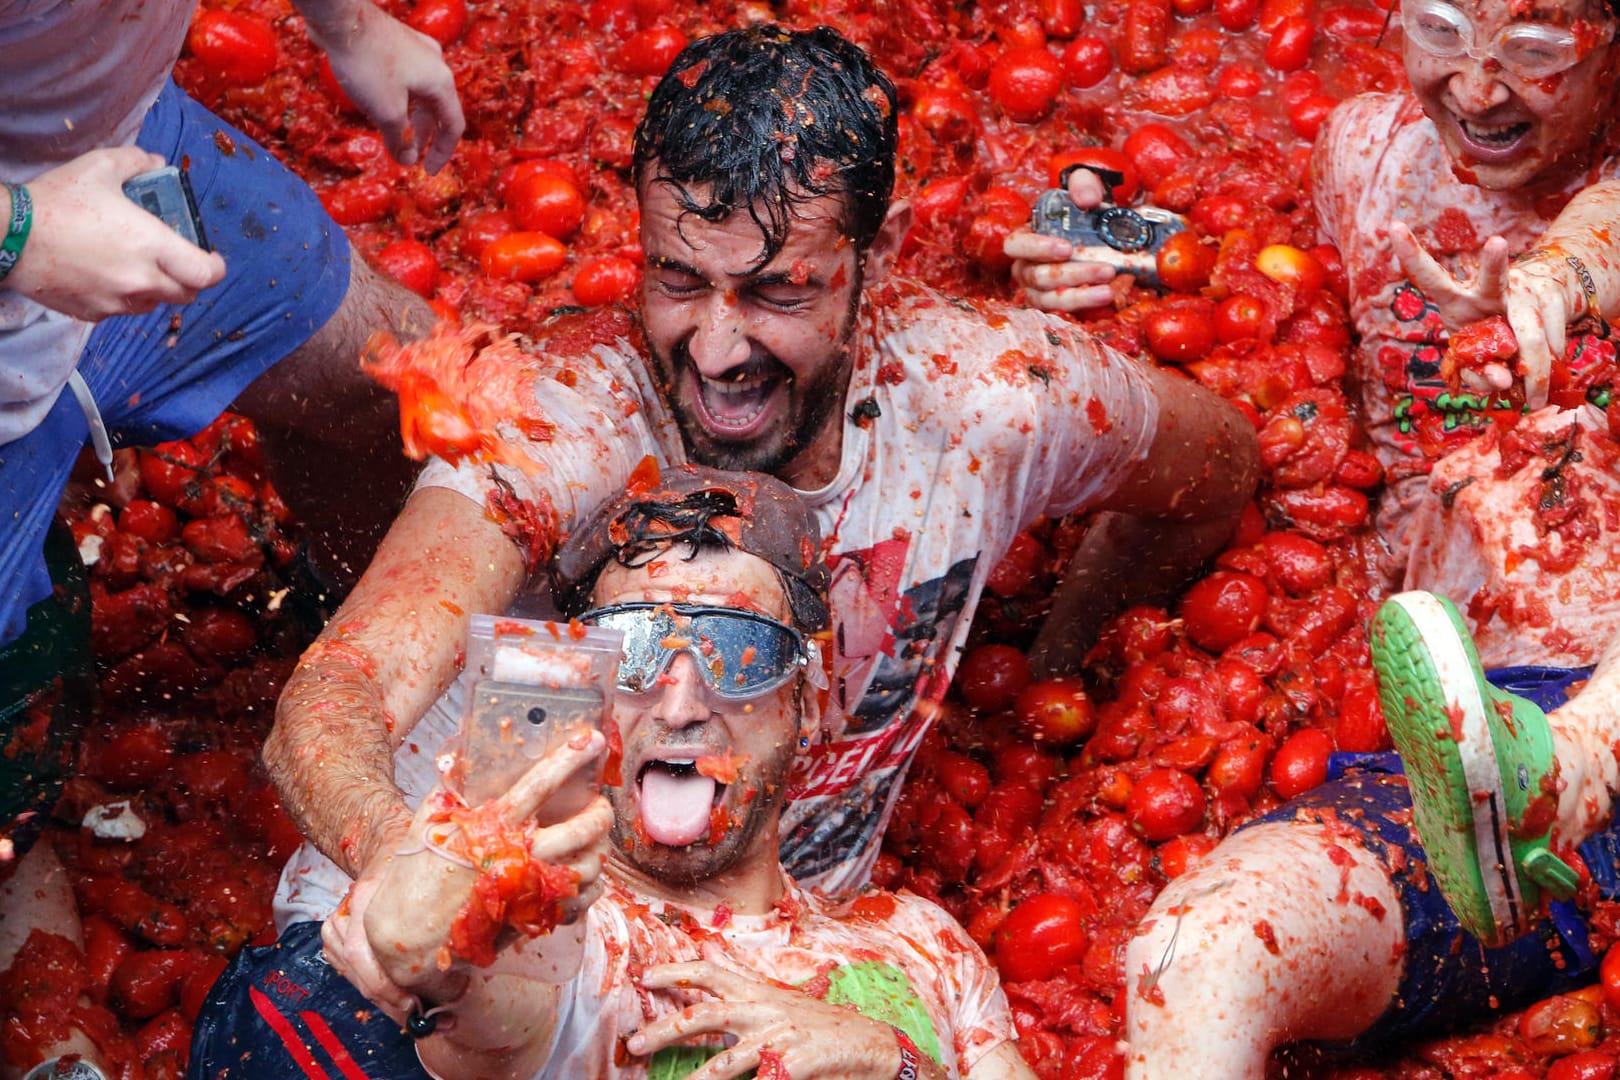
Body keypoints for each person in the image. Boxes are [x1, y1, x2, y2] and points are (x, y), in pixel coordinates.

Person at [262, 22, 1258, 931]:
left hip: (790, 940)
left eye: (780, 289)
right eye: (679, 281)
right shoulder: (564, 429)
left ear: (885, 254)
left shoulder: (990, 401)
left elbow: (1219, 469)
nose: (719, 348)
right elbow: (334, 697)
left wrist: (1063, 644)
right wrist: (416, 870)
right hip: (507, 922)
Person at [1007, 0, 1620, 1071]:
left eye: (1531, 53)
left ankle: (1568, 772)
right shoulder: (1369, 156)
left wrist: (1553, 290)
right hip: (1407, 726)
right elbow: (1237, 272)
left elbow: (1600, 235)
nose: (1475, 91)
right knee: (1199, 956)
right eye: (1438, 30)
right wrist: (1084, 253)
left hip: (1576, 731)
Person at [194, 466, 1033, 1080]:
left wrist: (893, 1061)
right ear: (588, 698)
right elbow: (501, 1005)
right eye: (633, 651)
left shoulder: (925, 947)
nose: (678, 705)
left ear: (807, 707)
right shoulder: (568, 929)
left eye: (740, 652)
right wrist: (441, 954)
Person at [0, 3, 464, 1075]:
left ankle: (362, 638)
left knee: (407, 389)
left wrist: (350, 29)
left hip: (124, 156)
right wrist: (23, 229)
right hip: (33, 222)